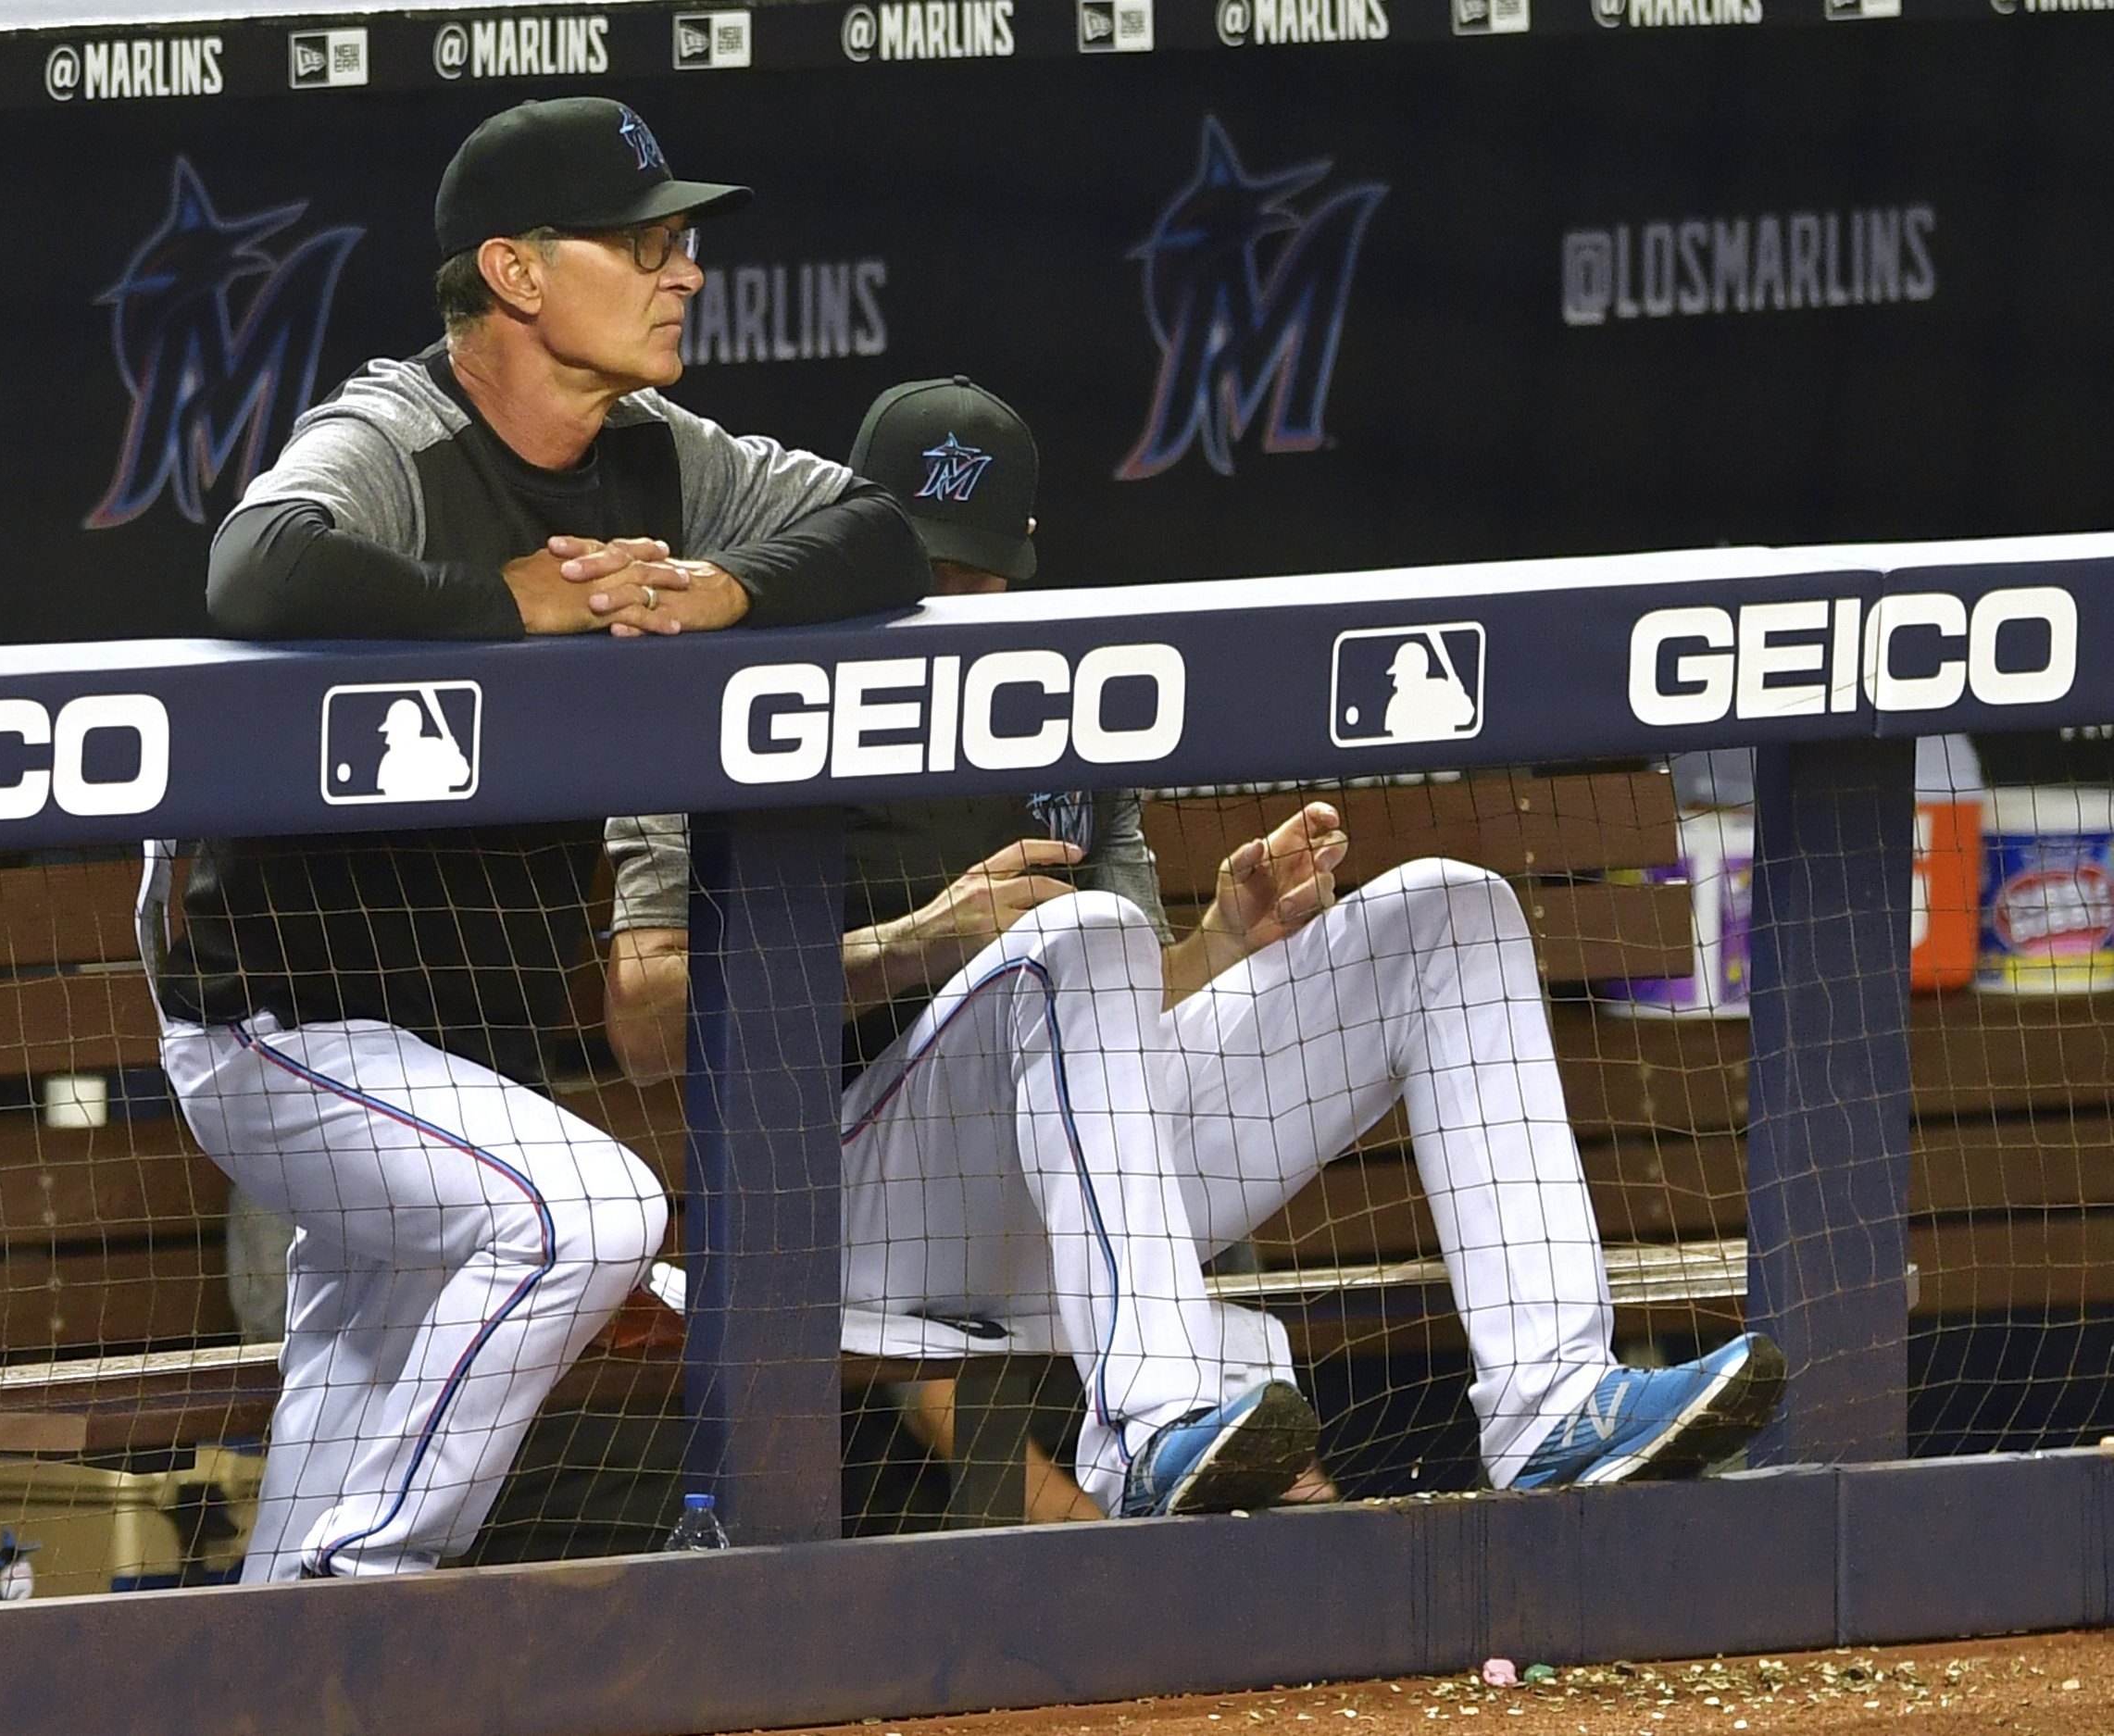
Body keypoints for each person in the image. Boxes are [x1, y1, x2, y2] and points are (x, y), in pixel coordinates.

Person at [604, 377, 1785, 1523]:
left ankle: (1553, 1405)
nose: (950, 593)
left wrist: (1225, 937)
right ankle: (1154, 1424)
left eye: (975, 567)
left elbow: (1105, 1017)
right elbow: (644, 1025)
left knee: (1450, 912)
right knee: (1077, 932)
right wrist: (912, 946)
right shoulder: (732, 690)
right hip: (848, 1206)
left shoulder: (1058, 693)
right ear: (849, 540)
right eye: (919, 562)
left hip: (1077, 1199)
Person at [143, 97, 931, 1580]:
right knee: (592, 1209)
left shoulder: (653, 453)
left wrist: (727, 591)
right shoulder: (396, 429)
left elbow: (880, 526)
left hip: (454, 1052)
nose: (682, 273)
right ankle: (362, 1587)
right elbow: (255, 567)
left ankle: (278, 1639)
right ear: (511, 273)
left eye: (681, 243)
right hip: (279, 1023)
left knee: (350, 1387)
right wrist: (518, 603)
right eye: (643, 243)